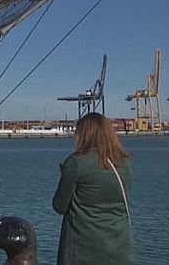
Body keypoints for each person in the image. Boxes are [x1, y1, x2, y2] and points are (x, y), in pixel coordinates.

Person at [52, 112, 135, 264]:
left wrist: (65, 174)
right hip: (120, 248)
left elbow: (59, 206)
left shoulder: (75, 163)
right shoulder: (124, 163)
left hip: (82, 250)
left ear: (83, 135)